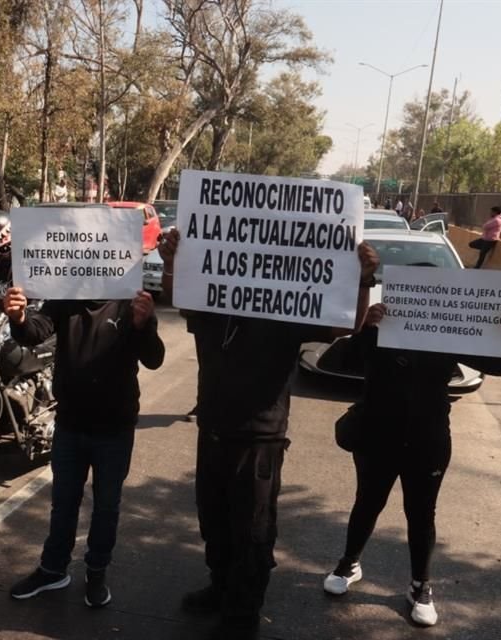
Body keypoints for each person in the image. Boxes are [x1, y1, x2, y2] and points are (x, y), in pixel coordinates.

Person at [158, 228, 378, 639]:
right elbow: (177, 295)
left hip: (261, 438)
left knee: (253, 531)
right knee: (214, 519)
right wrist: (172, 260)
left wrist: (364, 279)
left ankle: (243, 615)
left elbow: (347, 323)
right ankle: (220, 588)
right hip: (214, 429)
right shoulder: (210, 303)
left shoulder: (284, 309)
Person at [323, 301, 501, 627]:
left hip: (427, 439)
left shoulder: (447, 335)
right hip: (377, 434)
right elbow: (339, 359)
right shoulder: (379, 332)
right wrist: (366, 328)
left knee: (420, 512)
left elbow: (499, 365)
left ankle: (420, 585)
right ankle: (349, 563)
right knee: (368, 502)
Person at [4, 286, 165, 609]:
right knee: (63, 502)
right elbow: (35, 331)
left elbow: (154, 359)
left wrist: (143, 324)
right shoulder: (66, 298)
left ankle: (96, 571)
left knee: (107, 506)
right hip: (70, 425)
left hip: (114, 429)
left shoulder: (130, 302)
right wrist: (19, 317)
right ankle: (53, 569)